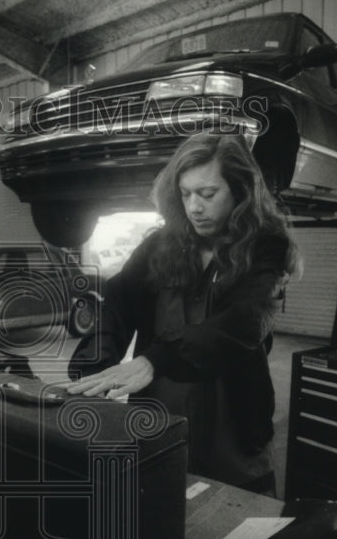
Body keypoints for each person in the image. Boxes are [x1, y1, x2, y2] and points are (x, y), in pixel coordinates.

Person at [67, 132, 300, 495]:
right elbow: (117, 302)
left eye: (208, 194)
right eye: (186, 193)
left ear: (239, 192)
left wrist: (153, 359)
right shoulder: (160, 245)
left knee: (237, 526)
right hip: (160, 416)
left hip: (232, 427)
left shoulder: (267, 247)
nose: (194, 207)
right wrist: (93, 365)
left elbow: (244, 322)